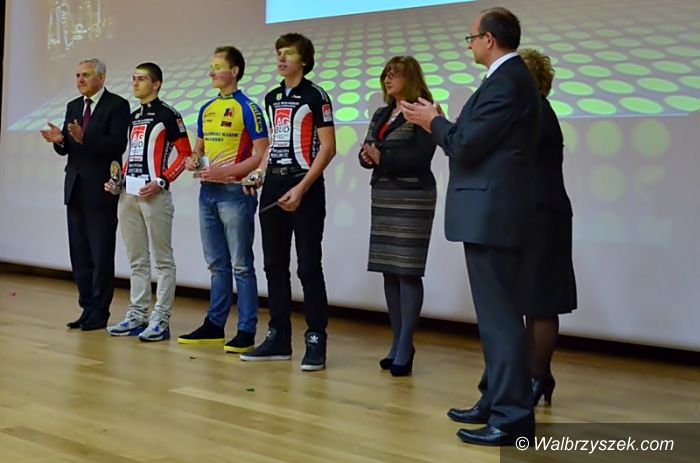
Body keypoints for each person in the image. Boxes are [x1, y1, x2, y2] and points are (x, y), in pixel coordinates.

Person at [402, 7, 540, 446]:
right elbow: (476, 138)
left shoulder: (507, 81)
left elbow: (466, 145)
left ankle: (512, 417)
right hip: (492, 212)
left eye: (472, 38)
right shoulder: (506, 80)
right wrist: (442, 122)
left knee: (500, 319)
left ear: (489, 39)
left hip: (493, 213)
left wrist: (433, 122)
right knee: (497, 317)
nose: (470, 45)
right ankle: (496, 400)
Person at [240, 33, 336, 372]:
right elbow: (274, 144)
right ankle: (279, 337)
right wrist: (258, 174)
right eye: (279, 53)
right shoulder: (272, 97)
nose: (281, 58)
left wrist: (302, 188)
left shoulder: (316, 95)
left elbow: (328, 147)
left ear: (304, 61)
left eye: (289, 53)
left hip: (304, 185)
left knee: (308, 265)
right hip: (274, 184)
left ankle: (316, 339)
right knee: (273, 264)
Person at [177, 46, 269, 353]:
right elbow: (199, 148)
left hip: (235, 193)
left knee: (241, 265)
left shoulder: (249, 108)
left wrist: (227, 172)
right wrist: (193, 159)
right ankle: (214, 325)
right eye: (211, 67)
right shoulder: (207, 108)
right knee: (217, 264)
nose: (211, 72)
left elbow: (262, 154)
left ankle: (246, 330)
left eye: (218, 67)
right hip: (207, 192)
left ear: (235, 71)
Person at [358, 56, 437, 377]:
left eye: (395, 75)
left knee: (407, 271)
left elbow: (421, 157)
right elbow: (369, 148)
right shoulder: (382, 113)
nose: (388, 79)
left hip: (413, 196)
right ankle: (397, 342)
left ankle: (406, 345)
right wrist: (367, 157)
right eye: (386, 74)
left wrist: (383, 158)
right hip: (384, 194)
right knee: (389, 271)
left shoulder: (424, 110)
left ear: (411, 79)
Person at [40, 58, 130, 331]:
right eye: (78, 75)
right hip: (75, 187)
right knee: (79, 252)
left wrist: (84, 138)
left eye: (86, 75)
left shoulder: (117, 105)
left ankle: (100, 311)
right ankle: (86, 307)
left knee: (100, 251)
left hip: (102, 188)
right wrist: (60, 141)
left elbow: (117, 145)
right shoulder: (73, 106)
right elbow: (69, 148)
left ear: (101, 78)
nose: (80, 80)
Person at [104, 62, 192, 342]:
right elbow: (133, 154)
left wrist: (162, 181)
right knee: (136, 259)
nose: (135, 83)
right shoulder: (133, 117)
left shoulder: (168, 114)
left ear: (156, 84)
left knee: (163, 260)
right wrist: (118, 181)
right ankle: (137, 315)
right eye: (133, 78)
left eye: (141, 79)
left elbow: (185, 154)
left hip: (155, 195)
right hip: (128, 195)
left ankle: (161, 320)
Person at [517, 48, 577, 406]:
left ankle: (537, 376)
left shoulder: (534, 113)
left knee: (540, 302)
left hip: (542, 217)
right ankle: (537, 374)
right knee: (532, 300)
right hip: (537, 215)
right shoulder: (537, 111)